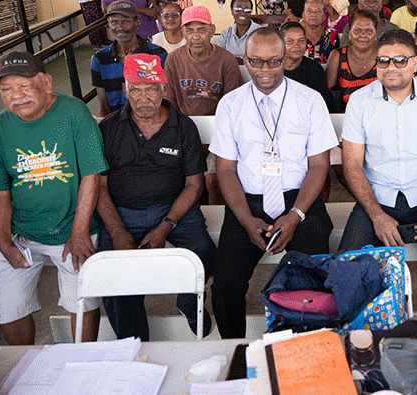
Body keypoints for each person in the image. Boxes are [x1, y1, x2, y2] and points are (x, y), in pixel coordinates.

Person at [210, 27, 337, 338]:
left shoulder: (310, 100)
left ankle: (307, 349)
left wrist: (295, 216)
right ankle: (236, 352)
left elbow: (320, 165)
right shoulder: (230, 104)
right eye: (255, 62)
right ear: (244, 60)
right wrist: (245, 219)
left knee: (312, 284)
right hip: (247, 203)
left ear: (286, 59)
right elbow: (225, 170)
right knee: (225, 287)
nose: (264, 70)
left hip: (300, 201)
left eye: (273, 62)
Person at [339, 29, 417, 314]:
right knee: (345, 275)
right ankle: (364, 341)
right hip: (377, 199)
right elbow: (352, 164)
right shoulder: (360, 102)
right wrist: (375, 214)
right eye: (383, 61)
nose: (391, 68)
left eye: (400, 60)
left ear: (415, 62)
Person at [96, 54, 217, 340]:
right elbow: (99, 186)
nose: (143, 98)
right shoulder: (108, 128)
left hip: (176, 209)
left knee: (204, 252)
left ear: (163, 89)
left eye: (151, 88)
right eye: (135, 89)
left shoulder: (183, 126)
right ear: (125, 90)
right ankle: (134, 344)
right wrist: (117, 230)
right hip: (122, 210)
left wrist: (165, 226)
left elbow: (193, 184)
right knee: (113, 274)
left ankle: (188, 301)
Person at [0, 51, 108, 345]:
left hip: (73, 227)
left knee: (80, 301)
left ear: (46, 81)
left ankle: (81, 361)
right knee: (9, 304)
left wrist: (80, 231)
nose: (15, 96)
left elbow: (91, 176)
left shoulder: (74, 112)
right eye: (6, 90)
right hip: (23, 232)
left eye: (23, 86)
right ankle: (25, 366)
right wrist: (4, 241)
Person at [91, 0, 167, 116]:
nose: (120, 27)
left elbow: (165, 95)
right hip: (116, 122)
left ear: (137, 23)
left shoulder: (157, 54)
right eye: (114, 22)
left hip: (151, 118)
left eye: (126, 21)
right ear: (108, 25)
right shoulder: (99, 59)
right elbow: (104, 105)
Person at [164, 5, 243, 117]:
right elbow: (169, 101)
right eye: (189, 31)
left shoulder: (226, 60)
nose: (195, 37)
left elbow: (232, 103)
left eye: (202, 30)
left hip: (217, 122)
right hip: (183, 124)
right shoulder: (173, 59)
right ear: (183, 33)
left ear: (212, 31)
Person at [327, 9, 379, 112]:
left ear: (375, 35)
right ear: (349, 34)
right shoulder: (337, 56)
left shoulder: (384, 57)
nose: (363, 35)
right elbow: (330, 96)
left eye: (369, 31)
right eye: (357, 30)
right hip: (344, 119)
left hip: (378, 118)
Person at [281, 21, 333, 111]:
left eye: (301, 41)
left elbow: (320, 102)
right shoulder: (273, 68)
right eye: (290, 41)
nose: (296, 46)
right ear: (280, 43)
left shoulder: (314, 68)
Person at [301, 0, 339, 64]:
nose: (313, 14)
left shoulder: (332, 35)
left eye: (318, 11)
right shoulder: (297, 34)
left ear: (324, 16)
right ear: (303, 15)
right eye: (309, 11)